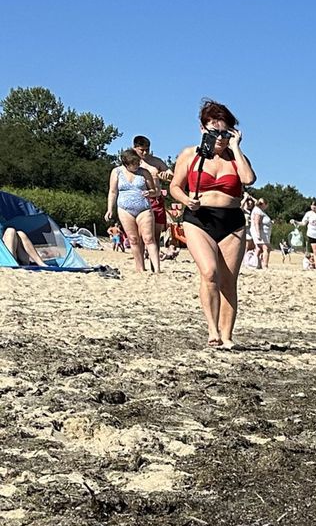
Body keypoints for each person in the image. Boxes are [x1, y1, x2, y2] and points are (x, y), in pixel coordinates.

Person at [168, 100, 255, 348]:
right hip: (199, 219)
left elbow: (248, 179)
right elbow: (175, 186)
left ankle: (227, 336)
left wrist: (236, 148)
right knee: (209, 272)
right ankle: (212, 331)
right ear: (203, 128)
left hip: (232, 222)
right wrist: (186, 199)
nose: (220, 137)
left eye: (225, 132)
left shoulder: (236, 157)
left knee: (229, 280)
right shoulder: (189, 155)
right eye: (214, 131)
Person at [103, 148, 160, 274]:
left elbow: (156, 191)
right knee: (133, 239)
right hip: (125, 208)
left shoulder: (144, 172)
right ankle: (140, 268)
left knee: (149, 238)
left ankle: (157, 269)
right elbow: (112, 192)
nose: (136, 166)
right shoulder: (116, 172)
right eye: (133, 164)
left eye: (138, 163)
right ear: (126, 164)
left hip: (143, 208)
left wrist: (150, 192)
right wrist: (109, 209)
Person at [249, 199, 271, 269]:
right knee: (266, 248)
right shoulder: (258, 211)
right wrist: (258, 234)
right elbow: (256, 223)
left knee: (259, 249)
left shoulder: (259, 210)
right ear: (264, 204)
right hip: (260, 232)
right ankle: (265, 265)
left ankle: (254, 263)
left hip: (263, 233)